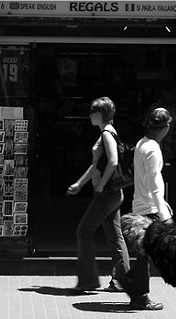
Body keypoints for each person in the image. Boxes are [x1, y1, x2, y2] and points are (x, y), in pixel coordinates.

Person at [66, 96, 130, 292]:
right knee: (115, 236)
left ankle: (88, 280)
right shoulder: (109, 132)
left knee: (83, 231)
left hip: (106, 194)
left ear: (99, 114)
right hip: (112, 193)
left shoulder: (107, 135)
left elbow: (112, 161)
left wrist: (100, 186)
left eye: (92, 112)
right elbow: (97, 165)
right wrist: (80, 183)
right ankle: (122, 280)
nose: (89, 115)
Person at [118, 107, 174, 311]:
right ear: (165, 127)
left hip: (141, 204)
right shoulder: (152, 149)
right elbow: (154, 183)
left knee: (145, 254)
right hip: (151, 208)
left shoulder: (142, 143)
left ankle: (131, 283)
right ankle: (139, 295)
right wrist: (164, 214)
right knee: (147, 254)